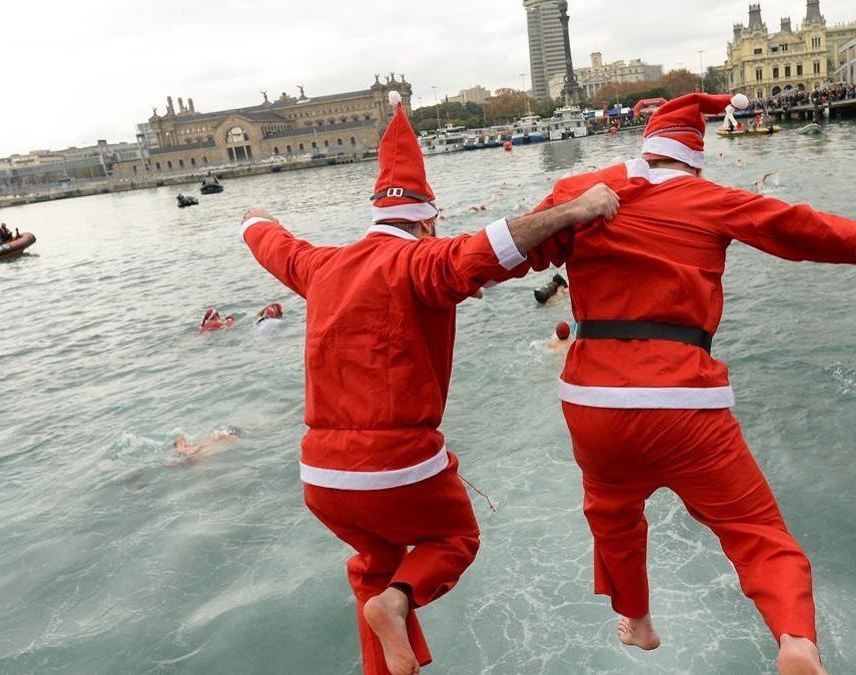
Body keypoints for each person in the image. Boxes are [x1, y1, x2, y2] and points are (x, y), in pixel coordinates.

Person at [530, 92, 856, 674]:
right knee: (755, 532)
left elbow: (520, 244)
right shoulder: (708, 197)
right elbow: (807, 230)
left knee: (612, 514)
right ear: (695, 158)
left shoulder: (582, 191)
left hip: (593, 402)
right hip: (684, 399)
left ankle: (638, 619)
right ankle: (795, 639)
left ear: (646, 147)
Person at [239, 91, 618, 675]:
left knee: (375, 559)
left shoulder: (321, 265)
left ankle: (388, 662)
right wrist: (576, 210)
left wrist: (253, 218)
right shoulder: (421, 260)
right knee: (453, 540)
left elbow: (273, 245)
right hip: (397, 465)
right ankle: (396, 604)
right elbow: (490, 248)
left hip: (319, 477)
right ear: (427, 217)